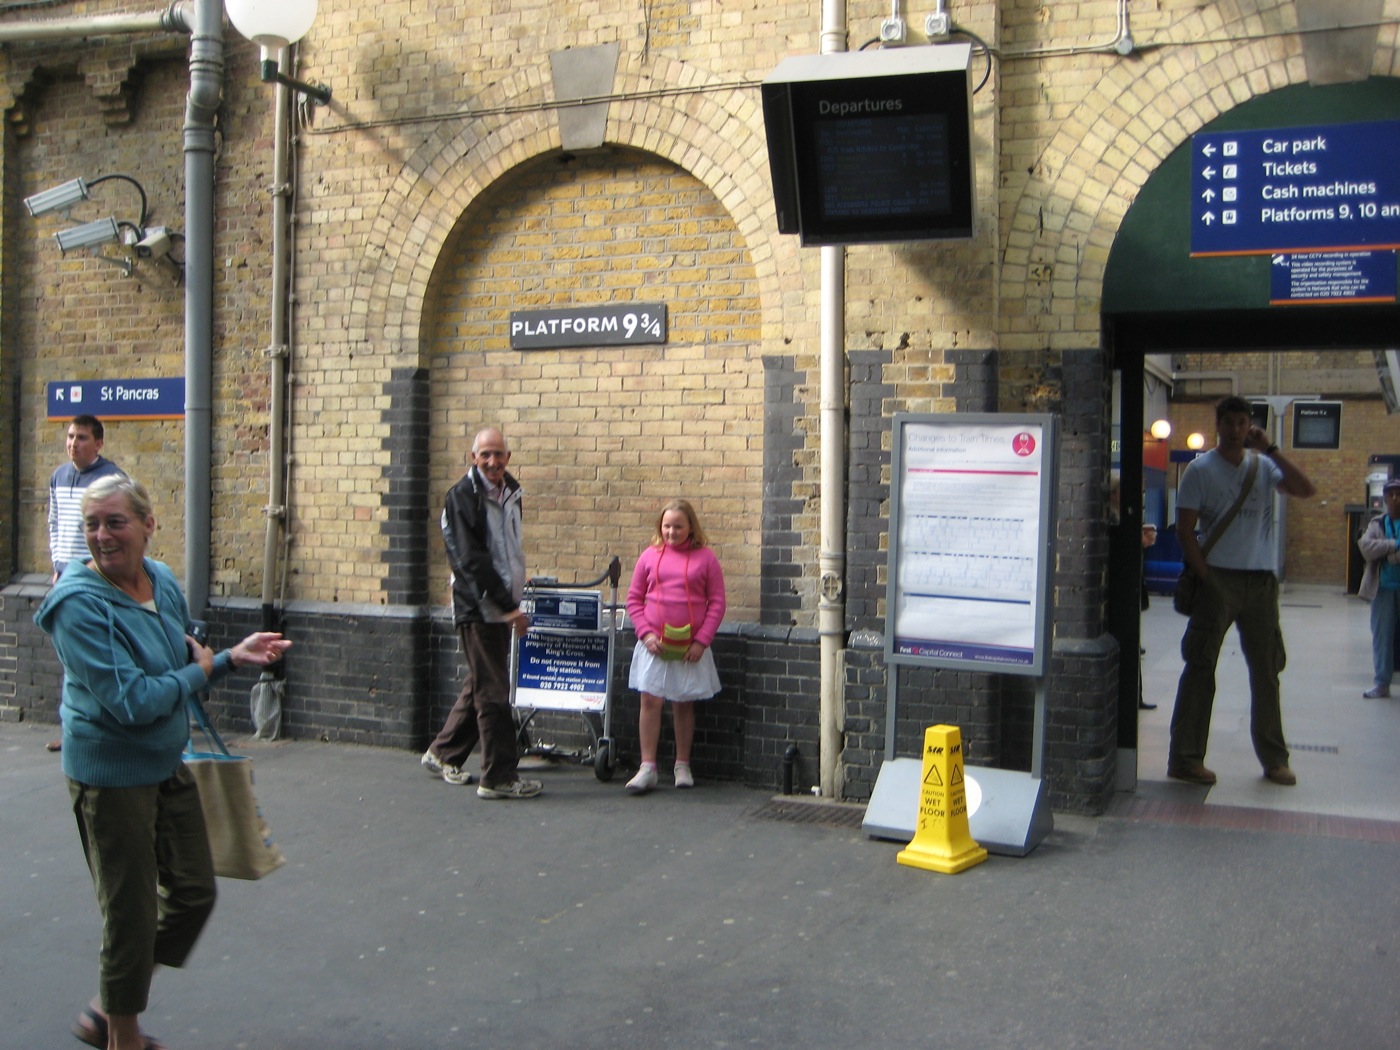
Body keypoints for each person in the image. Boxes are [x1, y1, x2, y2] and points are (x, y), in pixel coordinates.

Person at [33, 474, 291, 1050]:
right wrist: (201, 669)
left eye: (115, 522)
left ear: (149, 525)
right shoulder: (77, 605)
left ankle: (109, 1006)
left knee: (195, 894)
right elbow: (132, 701)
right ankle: (121, 1035)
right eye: (92, 525)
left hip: (165, 761)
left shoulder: (162, 581)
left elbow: (182, 659)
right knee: (128, 917)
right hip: (108, 776)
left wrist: (227, 657)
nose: (102, 536)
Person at [1167, 395, 1315, 787]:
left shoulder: (1264, 466)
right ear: (1218, 425)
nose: (1235, 430)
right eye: (1229, 422)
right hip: (1218, 578)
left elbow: (1305, 489)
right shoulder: (1200, 470)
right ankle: (1185, 758)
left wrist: (1271, 448)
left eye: (1242, 422)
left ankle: (1274, 759)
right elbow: (1185, 530)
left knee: (1267, 672)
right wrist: (1208, 577)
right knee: (1200, 667)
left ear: (1251, 425)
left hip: (1261, 582)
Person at [421, 427, 541, 799]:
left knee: (480, 682)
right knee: (493, 691)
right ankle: (499, 776)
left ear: (508, 457)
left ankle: (443, 753)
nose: (492, 461)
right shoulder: (461, 497)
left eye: (499, 454)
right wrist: (508, 608)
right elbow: (471, 561)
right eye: (485, 454)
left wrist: (517, 584)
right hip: (480, 608)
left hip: (500, 604)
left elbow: (504, 549)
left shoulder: (510, 493)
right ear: (473, 457)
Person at [624, 499, 727, 793]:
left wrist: (701, 641)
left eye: (678, 526)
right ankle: (647, 767)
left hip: (689, 648)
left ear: (690, 527)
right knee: (650, 701)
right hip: (654, 643)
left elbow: (717, 603)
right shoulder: (648, 556)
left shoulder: (706, 558)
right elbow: (634, 599)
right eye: (667, 526)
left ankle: (682, 765)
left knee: (683, 704)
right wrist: (645, 634)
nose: (672, 532)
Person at [50, 415, 125, 583]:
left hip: (95, 573)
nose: (73, 443)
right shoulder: (58, 476)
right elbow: (54, 523)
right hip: (64, 572)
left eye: (82, 438)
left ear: (98, 444)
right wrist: (57, 564)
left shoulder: (111, 478)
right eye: (70, 436)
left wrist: (100, 565)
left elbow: (119, 527)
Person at [1358, 478, 1400, 699]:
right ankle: (1382, 683)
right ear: (1384, 498)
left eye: (1398, 494)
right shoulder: (1377, 523)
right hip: (1382, 588)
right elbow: (1366, 547)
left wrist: (1384, 551)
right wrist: (1393, 546)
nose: (1394, 499)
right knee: (1381, 636)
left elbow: (1377, 550)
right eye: (1390, 494)